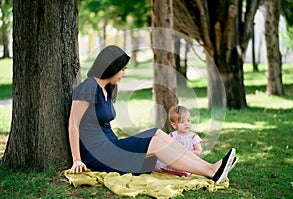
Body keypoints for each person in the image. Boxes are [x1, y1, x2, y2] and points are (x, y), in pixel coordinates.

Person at [68, 45, 237, 183]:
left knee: (156, 132)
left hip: (112, 147)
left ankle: (211, 167)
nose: (124, 74)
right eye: (122, 69)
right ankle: (211, 172)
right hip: (100, 155)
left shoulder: (106, 89)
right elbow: (73, 124)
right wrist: (77, 159)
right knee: (155, 143)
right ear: (111, 67)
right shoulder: (89, 86)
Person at [155, 105, 203, 177]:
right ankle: (167, 169)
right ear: (174, 125)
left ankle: (183, 171)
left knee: (186, 166)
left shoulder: (193, 137)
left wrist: (183, 152)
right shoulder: (172, 136)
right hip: (174, 159)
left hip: (188, 161)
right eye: (182, 122)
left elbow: (198, 152)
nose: (186, 123)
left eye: (188, 120)